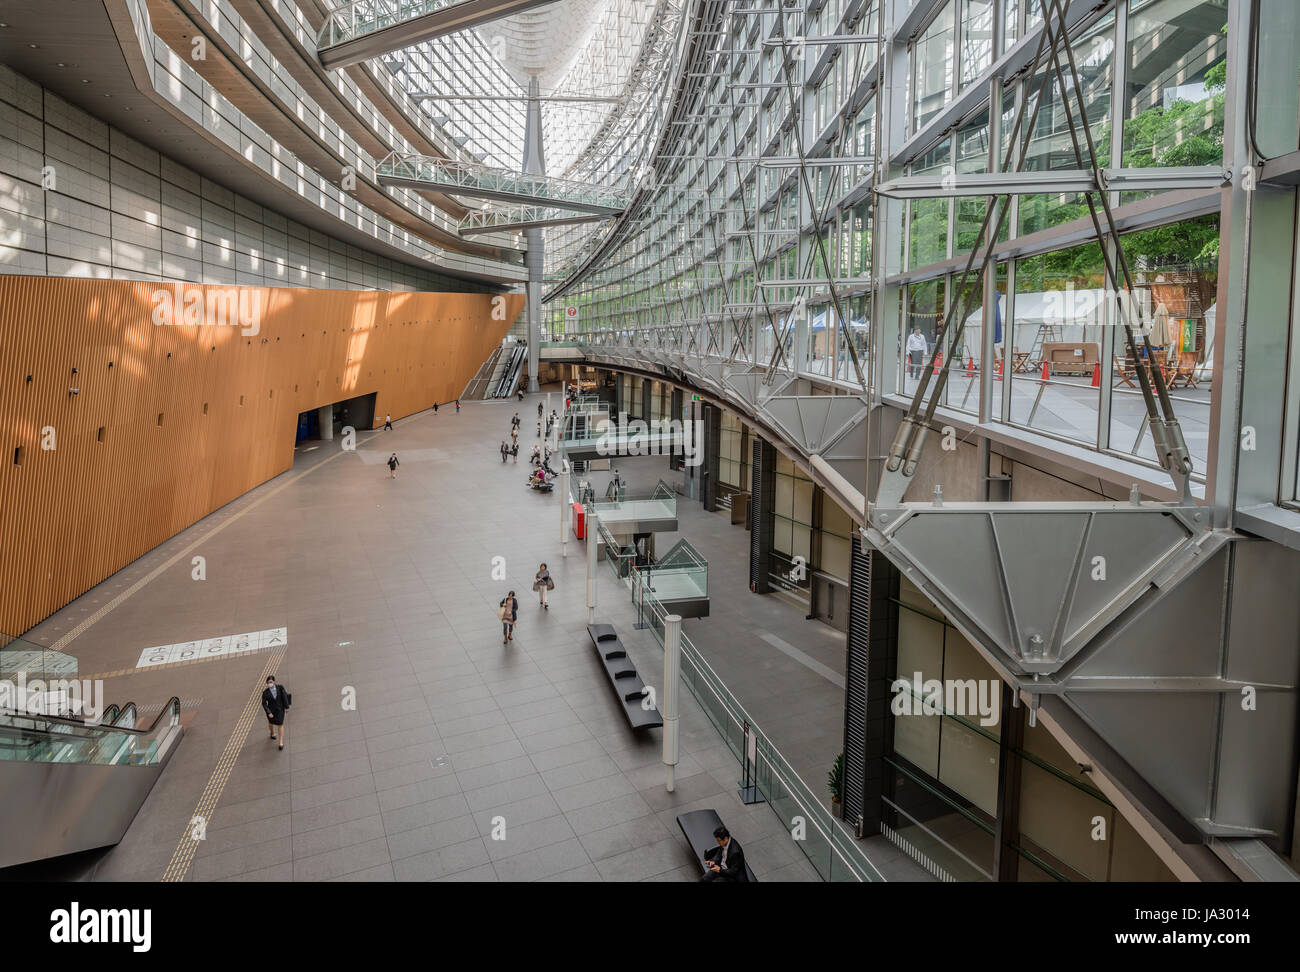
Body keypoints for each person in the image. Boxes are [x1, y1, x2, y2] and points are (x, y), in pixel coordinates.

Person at [261, 675, 291, 751]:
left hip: (280, 710)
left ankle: (281, 742)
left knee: (280, 724)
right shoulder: (265, 693)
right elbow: (264, 704)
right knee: (271, 723)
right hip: (271, 712)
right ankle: (272, 733)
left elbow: (284, 696)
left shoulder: (280, 687)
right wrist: (268, 712)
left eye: (270, 682)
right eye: (268, 683)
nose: (269, 684)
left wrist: (287, 707)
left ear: (274, 681)